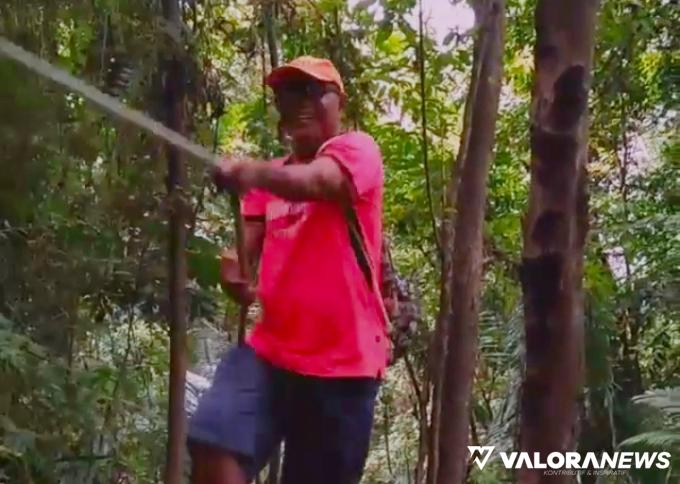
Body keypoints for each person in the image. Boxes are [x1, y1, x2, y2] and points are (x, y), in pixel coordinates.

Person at [187, 56, 389, 484]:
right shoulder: (269, 179)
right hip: (271, 354)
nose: (300, 103)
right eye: (288, 94)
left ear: (339, 103)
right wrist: (234, 270)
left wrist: (251, 171)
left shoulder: (357, 150)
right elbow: (247, 247)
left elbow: (320, 182)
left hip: (343, 367)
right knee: (213, 440)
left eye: (314, 92)